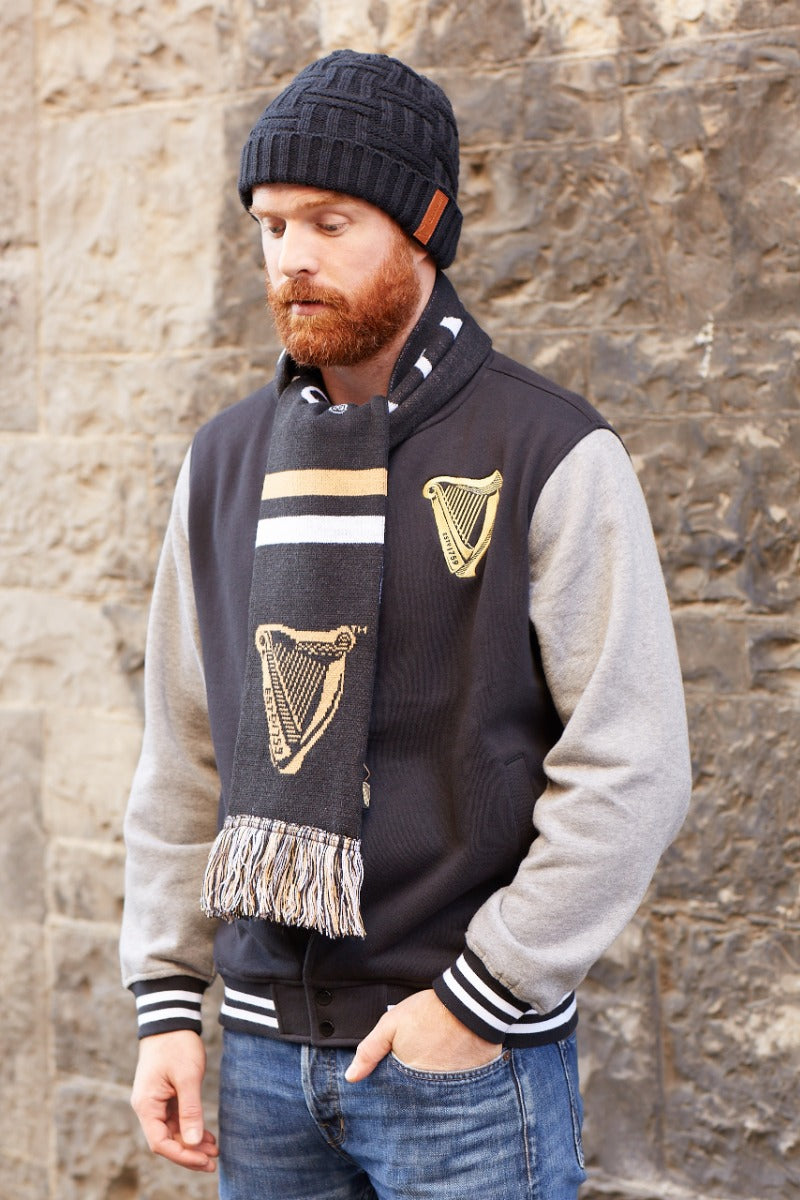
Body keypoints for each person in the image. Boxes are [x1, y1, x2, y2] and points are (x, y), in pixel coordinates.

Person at [120, 49, 691, 1200]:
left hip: (462, 1071)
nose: (291, 259)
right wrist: (168, 1005)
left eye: (330, 222)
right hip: (263, 1065)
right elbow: (183, 756)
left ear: (422, 229)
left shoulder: (547, 452)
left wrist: (476, 1002)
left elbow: (633, 765)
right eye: (272, 226)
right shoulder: (226, 462)